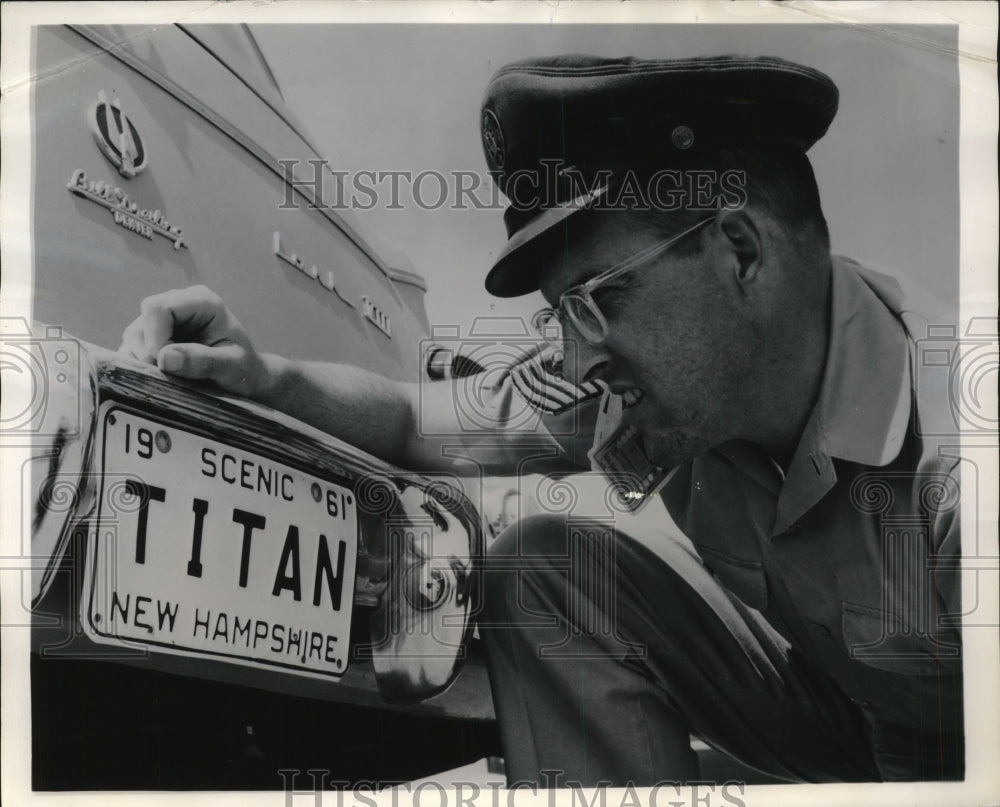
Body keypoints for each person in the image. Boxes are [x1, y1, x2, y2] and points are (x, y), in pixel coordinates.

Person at [119, 54, 963, 785]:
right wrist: (263, 374)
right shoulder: (639, 384)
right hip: (843, 708)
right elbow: (422, 420)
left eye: (598, 302)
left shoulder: (962, 457)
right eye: (559, 318)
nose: (576, 358)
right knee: (544, 569)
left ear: (740, 251)